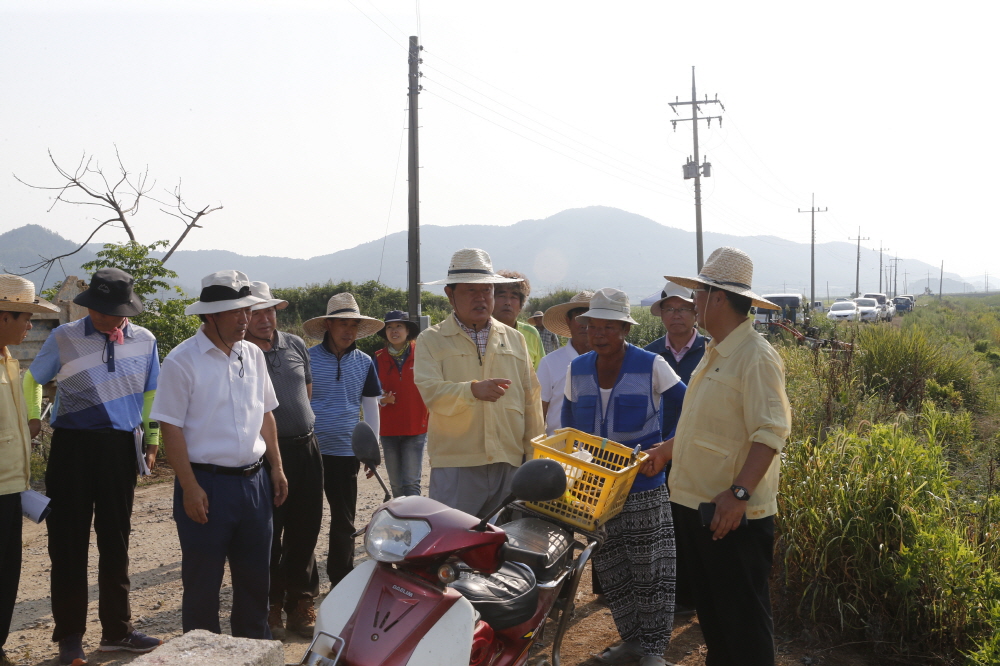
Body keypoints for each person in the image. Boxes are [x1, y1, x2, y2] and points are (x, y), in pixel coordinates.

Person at [24, 268, 162, 665]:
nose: (106, 317)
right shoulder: (63, 336)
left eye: (114, 310)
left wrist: (151, 440)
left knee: (115, 542)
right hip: (73, 448)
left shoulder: (145, 340)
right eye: (99, 309)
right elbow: (32, 380)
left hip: (121, 448)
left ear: (127, 309)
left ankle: (117, 631)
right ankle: (70, 637)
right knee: (67, 545)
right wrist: (35, 416)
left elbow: (152, 392)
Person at [664, 247, 791, 666]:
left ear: (717, 297)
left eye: (698, 294)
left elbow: (771, 432)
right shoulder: (716, 351)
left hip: (731, 516)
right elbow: (704, 426)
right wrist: (665, 451)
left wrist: (738, 493)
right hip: (699, 508)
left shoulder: (755, 356)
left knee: (743, 624)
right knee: (716, 619)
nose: (694, 303)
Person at [151, 270, 288, 639]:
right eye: (234, 312)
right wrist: (190, 486)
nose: (245, 319)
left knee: (255, 581)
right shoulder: (183, 361)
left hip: (255, 483)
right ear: (209, 315)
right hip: (207, 485)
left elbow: (265, 413)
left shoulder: (252, 355)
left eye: (246, 310)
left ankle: (254, 653)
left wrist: (276, 466)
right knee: (202, 585)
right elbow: (170, 427)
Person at [561, 288, 686, 666]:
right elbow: (568, 421)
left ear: (625, 329)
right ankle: (632, 641)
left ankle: (653, 651)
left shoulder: (652, 365)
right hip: (596, 488)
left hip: (643, 485)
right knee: (613, 567)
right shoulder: (577, 368)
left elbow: (688, 407)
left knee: (650, 568)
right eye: (592, 326)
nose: (598, 334)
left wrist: (666, 449)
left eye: (608, 327)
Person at [415, 248, 544, 519]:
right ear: (450, 295)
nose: (481, 298)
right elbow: (431, 392)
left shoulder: (514, 338)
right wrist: (471, 390)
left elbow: (531, 401)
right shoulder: (431, 339)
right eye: (470, 291)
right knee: (452, 552)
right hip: (457, 465)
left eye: (486, 290)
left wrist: (533, 459)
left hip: (509, 463)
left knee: (503, 552)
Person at [245, 282, 321, 640]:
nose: (265, 318)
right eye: (256, 312)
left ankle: (300, 603)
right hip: (266, 456)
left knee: (306, 529)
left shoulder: (294, 344)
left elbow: (305, 392)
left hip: (307, 448)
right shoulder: (240, 353)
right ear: (243, 316)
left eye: (269, 310)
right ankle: (270, 605)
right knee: (269, 533)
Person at [302, 293, 383, 589]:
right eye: (342, 324)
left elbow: (371, 406)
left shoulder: (364, 362)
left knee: (344, 522)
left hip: (346, 453)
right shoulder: (307, 358)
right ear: (328, 325)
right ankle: (303, 591)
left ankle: (342, 584)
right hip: (309, 451)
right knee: (306, 523)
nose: (348, 331)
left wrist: (372, 450)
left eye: (353, 325)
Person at [0, 275, 59, 666]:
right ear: (3, 315)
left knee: (7, 576)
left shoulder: (9, 361)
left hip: (11, 490)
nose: (31, 325)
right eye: (26, 316)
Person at [644, 279, 710, 615]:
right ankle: (672, 595)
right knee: (664, 525)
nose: (676, 315)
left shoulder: (711, 351)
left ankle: (695, 596)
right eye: (669, 309)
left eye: (683, 308)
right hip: (659, 451)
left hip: (700, 451)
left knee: (693, 524)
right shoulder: (651, 353)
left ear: (695, 312)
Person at [373, 310, 428, 498]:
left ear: (407, 331)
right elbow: (369, 393)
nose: (394, 331)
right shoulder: (377, 358)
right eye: (389, 327)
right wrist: (382, 399)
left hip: (416, 428)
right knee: (396, 486)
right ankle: (402, 526)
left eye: (399, 326)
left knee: (412, 484)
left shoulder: (423, 354)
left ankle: (415, 526)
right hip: (388, 430)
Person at [535, 291, 593, 436]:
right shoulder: (550, 363)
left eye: (590, 318)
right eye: (579, 318)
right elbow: (539, 412)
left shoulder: (610, 361)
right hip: (558, 448)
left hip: (600, 451)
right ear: (568, 321)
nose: (584, 325)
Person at [493, 270, 544, 369]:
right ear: (491, 301)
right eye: (502, 296)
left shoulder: (531, 334)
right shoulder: (479, 331)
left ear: (521, 305)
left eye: (513, 297)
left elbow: (541, 372)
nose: (507, 302)